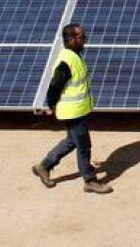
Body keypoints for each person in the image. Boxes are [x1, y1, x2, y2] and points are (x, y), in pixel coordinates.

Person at [32, 23, 113, 194]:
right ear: (71, 39)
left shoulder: (75, 55)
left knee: (72, 141)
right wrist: (51, 105)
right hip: (73, 111)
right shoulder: (66, 61)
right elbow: (54, 86)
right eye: (82, 37)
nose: (85, 39)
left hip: (79, 109)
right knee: (84, 145)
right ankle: (90, 180)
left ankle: (44, 166)